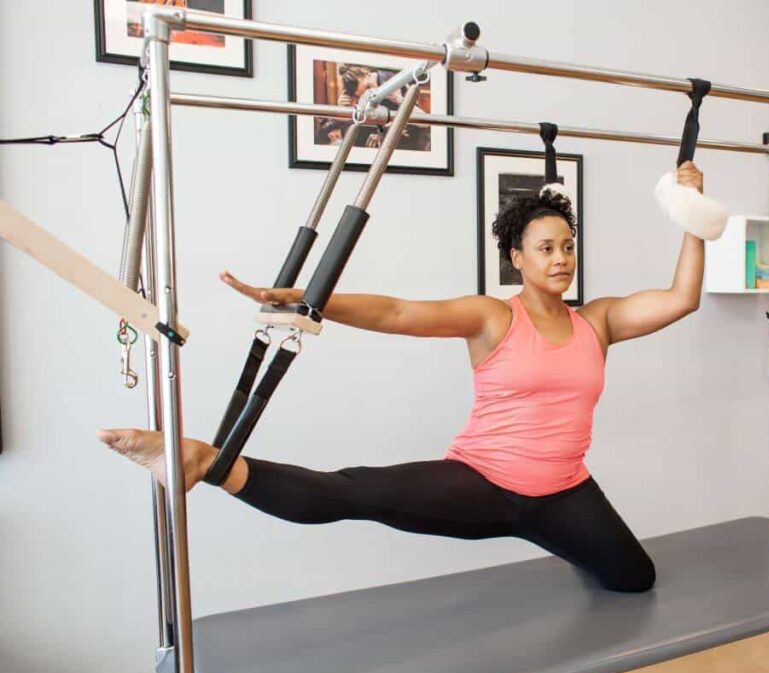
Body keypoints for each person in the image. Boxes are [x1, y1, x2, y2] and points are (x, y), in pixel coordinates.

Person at [98, 162, 706, 593]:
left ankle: (565, 540)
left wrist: (693, 214)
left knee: (634, 580)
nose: (560, 259)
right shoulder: (493, 316)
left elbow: (682, 298)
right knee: (352, 491)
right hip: (483, 484)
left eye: (567, 247)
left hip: (566, 494)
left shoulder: (596, 321)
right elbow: (397, 313)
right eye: (545, 248)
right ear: (516, 258)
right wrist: (308, 299)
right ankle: (204, 459)